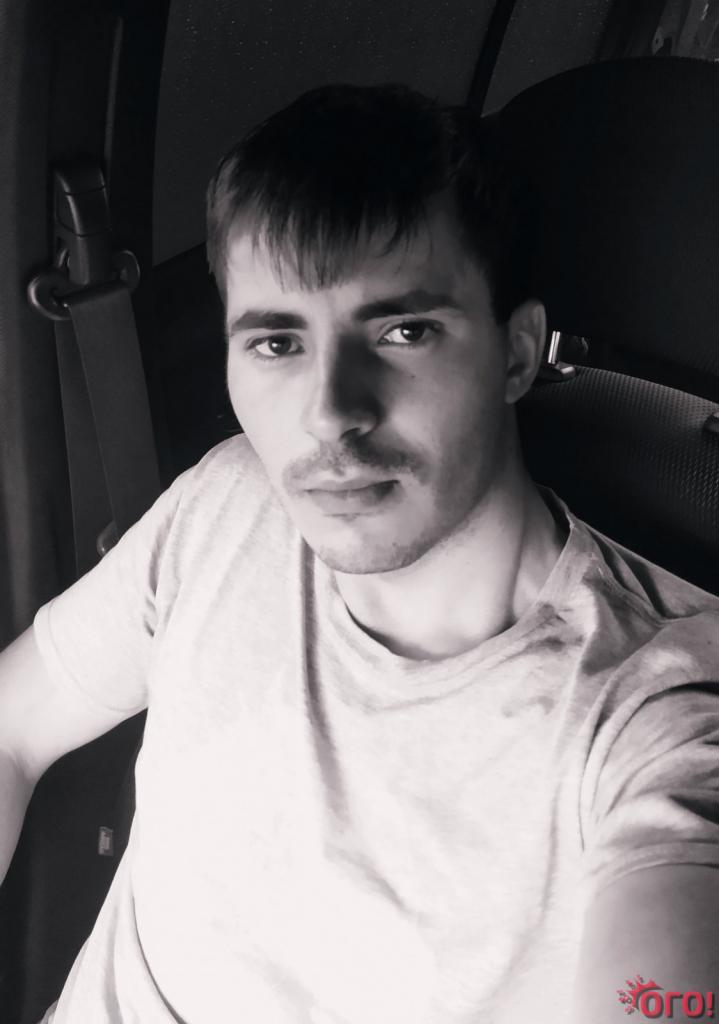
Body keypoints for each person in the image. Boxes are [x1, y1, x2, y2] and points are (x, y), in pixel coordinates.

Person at [1, 83, 718, 1024]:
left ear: (516, 354)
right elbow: (12, 728)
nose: (330, 413)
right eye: (276, 343)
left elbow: (664, 992)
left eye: (403, 331)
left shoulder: (658, 705)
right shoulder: (228, 502)